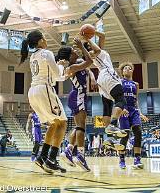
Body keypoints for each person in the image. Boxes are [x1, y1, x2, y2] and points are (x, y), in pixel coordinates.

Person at [20, 30, 68, 173]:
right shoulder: (46, 53)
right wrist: (61, 65)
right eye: (45, 38)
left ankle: (42, 157)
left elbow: (54, 78)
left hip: (33, 91)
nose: (46, 41)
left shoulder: (33, 56)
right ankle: (52, 158)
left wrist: (64, 74)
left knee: (53, 124)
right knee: (63, 122)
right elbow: (57, 74)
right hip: (43, 90)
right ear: (40, 41)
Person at [80, 27, 127, 138]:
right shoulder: (93, 53)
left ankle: (110, 137)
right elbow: (98, 51)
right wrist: (87, 38)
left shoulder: (96, 51)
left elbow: (103, 36)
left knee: (107, 107)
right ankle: (114, 124)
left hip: (102, 78)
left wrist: (92, 32)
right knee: (121, 99)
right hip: (107, 73)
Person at [56, 39, 94, 171]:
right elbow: (90, 61)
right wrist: (82, 46)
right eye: (73, 51)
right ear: (70, 56)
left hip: (78, 95)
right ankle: (80, 155)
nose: (76, 51)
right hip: (78, 95)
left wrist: (93, 77)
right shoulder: (72, 67)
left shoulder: (77, 63)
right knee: (81, 127)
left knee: (79, 126)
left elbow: (88, 65)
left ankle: (68, 150)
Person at [112, 62, 149, 169]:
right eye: (125, 68)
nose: (127, 69)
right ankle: (122, 159)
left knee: (138, 132)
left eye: (129, 68)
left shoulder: (135, 84)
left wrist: (140, 112)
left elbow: (136, 100)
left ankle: (137, 159)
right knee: (125, 135)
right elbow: (115, 97)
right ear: (122, 72)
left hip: (133, 110)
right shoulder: (119, 82)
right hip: (124, 109)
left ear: (132, 71)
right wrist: (121, 108)